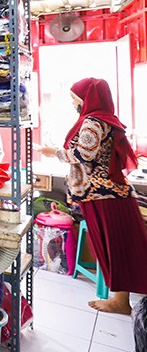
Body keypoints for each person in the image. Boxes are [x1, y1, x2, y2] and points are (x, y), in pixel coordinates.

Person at [39, 77, 147, 314]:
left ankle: (120, 302)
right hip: (110, 194)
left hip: (103, 195)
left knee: (115, 248)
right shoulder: (105, 119)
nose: (73, 103)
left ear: (86, 98)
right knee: (116, 247)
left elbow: (82, 155)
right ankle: (119, 299)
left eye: (75, 99)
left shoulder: (93, 122)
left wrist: (53, 152)